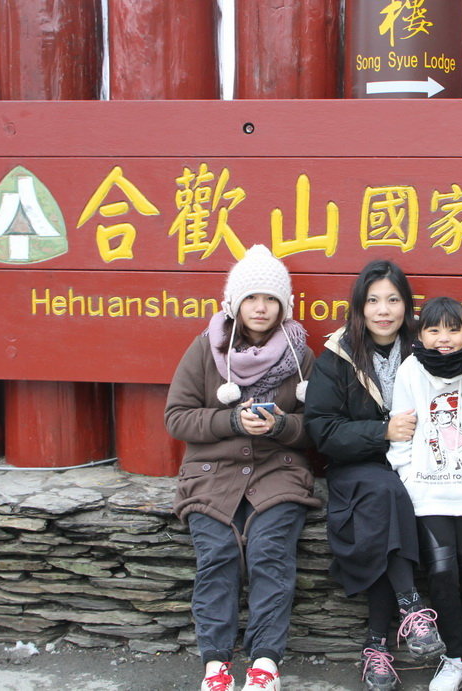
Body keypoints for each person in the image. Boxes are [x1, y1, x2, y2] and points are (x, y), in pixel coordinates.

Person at [165, 245, 320, 691]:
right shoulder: (205, 348)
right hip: (211, 475)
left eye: (271, 299)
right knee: (218, 554)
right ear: (234, 302)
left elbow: (317, 428)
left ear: (284, 305)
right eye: (251, 297)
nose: (261, 307)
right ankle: (215, 665)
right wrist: (231, 421)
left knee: (270, 552)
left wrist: (281, 425)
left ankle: (265, 663)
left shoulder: (302, 356)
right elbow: (177, 418)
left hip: (278, 472)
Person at [386, 297, 462, 691]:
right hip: (430, 494)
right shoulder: (410, 370)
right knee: (441, 577)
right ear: (420, 334)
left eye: (454, 329)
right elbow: (402, 428)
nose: (444, 338)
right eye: (434, 329)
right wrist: (408, 477)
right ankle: (455, 658)